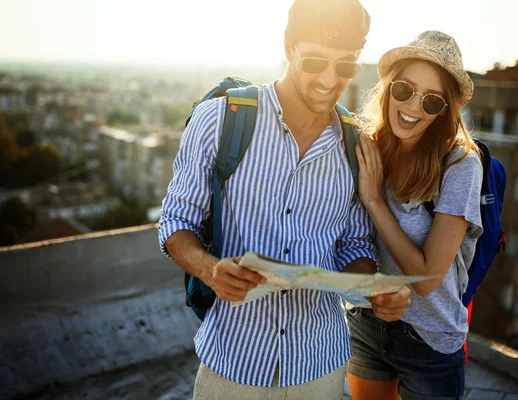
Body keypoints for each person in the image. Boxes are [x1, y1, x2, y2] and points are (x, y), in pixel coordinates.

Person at [158, 0, 411, 398]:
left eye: (345, 66)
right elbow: (176, 221)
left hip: (320, 365)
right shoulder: (220, 120)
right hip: (234, 359)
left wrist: (373, 289)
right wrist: (209, 269)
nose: (330, 79)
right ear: (288, 46)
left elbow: (354, 244)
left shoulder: (357, 145)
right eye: (315, 62)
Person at [346, 30, 483, 400]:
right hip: (366, 319)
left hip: (429, 338)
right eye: (405, 90)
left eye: (432, 101)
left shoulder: (459, 164)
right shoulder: (369, 146)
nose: (413, 108)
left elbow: (425, 280)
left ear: (445, 111)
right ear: (389, 88)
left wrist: (374, 201)